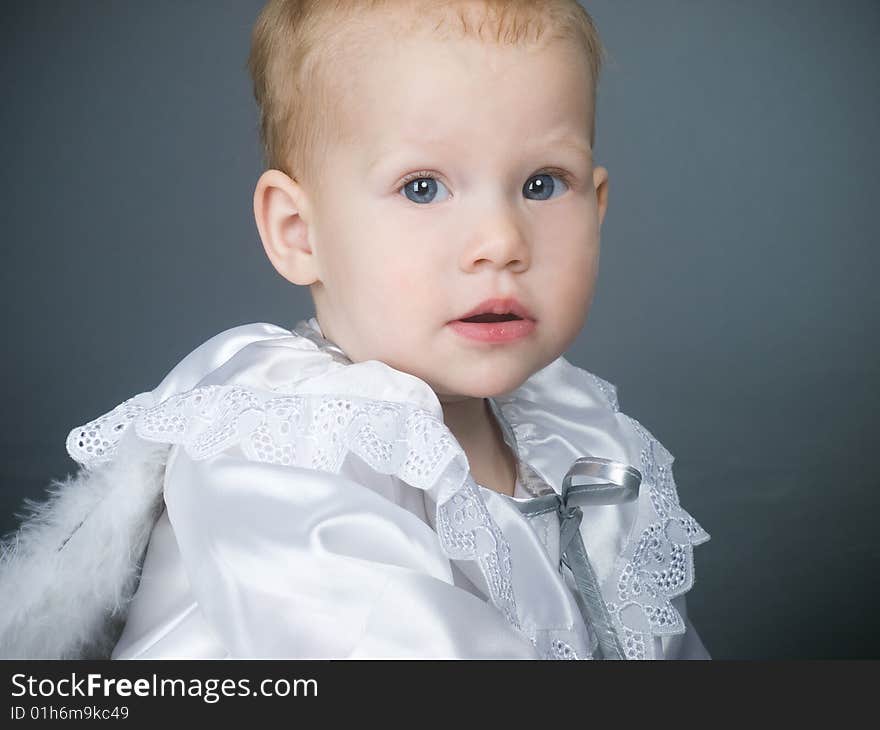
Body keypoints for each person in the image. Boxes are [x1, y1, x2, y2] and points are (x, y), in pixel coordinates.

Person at [0, 0, 711, 660]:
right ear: (298, 232)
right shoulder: (277, 454)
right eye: (422, 187)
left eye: (543, 183)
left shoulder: (578, 435)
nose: (500, 240)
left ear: (598, 205)